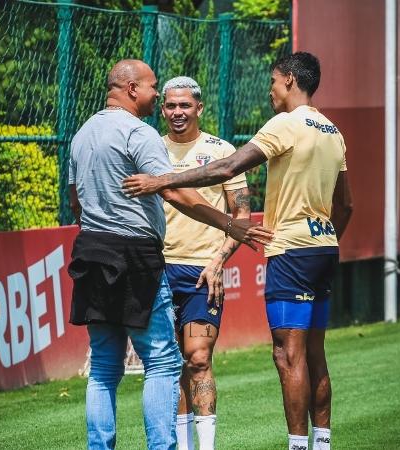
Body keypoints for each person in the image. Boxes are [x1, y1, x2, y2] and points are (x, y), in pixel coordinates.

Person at [123, 52, 353, 450]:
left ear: (291, 82)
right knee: (315, 353)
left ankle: (298, 446)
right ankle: (321, 443)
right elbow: (345, 205)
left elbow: (227, 168)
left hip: (292, 251)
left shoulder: (285, 123)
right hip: (323, 247)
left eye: (274, 81)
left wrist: (163, 179)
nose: (270, 90)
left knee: (287, 355)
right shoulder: (333, 130)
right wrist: (326, 238)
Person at [68, 59, 273, 450]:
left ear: (198, 108)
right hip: (136, 255)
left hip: (91, 250)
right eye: (152, 88)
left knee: (104, 369)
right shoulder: (140, 134)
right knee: (163, 363)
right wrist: (230, 224)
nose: (156, 95)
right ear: (131, 89)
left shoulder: (82, 134)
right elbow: (175, 192)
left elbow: (75, 201)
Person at [160, 76, 252, 450]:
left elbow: (242, 216)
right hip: (158, 269)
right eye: (170, 105)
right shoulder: (148, 148)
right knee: (169, 365)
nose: (177, 112)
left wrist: (218, 260)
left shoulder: (221, 150)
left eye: (185, 105)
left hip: (203, 271)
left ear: (199, 108)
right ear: (162, 109)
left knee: (198, 358)